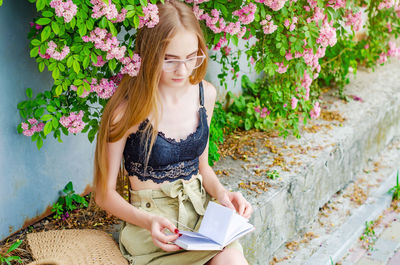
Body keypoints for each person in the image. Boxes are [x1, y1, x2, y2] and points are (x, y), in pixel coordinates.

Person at [92, 1, 253, 264]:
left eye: (191, 58)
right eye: (170, 60)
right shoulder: (126, 112)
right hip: (154, 232)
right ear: (149, 54)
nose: (183, 70)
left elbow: (202, 167)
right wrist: (149, 221)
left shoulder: (205, 94)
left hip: (202, 222)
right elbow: (104, 195)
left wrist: (223, 194)